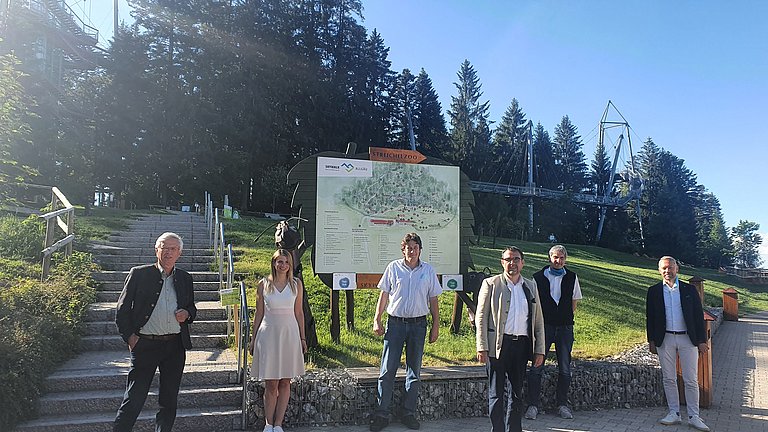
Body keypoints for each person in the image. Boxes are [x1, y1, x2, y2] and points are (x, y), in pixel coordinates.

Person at [114, 232, 197, 432]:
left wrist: (187, 313)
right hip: (145, 345)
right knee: (134, 397)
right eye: (164, 247)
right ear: (156, 250)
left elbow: (192, 308)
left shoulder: (185, 278)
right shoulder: (139, 274)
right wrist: (130, 337)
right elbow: (122, 310)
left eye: (173, 249)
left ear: (180, 253)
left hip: (175, 346)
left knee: (168, 400)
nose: (168, 252)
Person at [370, 233, 442, 432]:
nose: (412, 251)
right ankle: (381, 414)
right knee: (387, 370)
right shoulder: (393, 268)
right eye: (408, 247)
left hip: (419, 326)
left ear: (420, 249)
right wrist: (377, 319)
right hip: (395, 325)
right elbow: (384, 295)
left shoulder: (428, 270)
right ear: (403, 250)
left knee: (414, 372)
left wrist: (436, 325)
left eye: (415, 247)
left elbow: (434, 300)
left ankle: (408, 413)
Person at [476, 246, 545, 432]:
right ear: (502, 262)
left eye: (516, 259)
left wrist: (540, 349)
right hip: (498, 346)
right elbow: (480, 317)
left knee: (516, 394)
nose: (512, 263)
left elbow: (538, 319)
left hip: (521, 346)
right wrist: (481, 346)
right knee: (496, 394)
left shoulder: (530, 286)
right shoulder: (491, 284)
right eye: (508, 259)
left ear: (522, 263)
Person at [646, 256, 710, 432]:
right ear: (659, 270)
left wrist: (702, 340)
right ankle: (673, 412)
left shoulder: (689, 290)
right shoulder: (654, 291)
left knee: (691, 379)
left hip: (687, 339)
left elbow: (698, 316)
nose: (668, 271)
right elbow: (650, 318)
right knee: (669, 378)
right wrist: (651, 340)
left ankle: (694, 416)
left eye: (670, 268)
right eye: (664, 268)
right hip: (665, 339)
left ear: (677, 269)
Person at [250, 249, 307, 432]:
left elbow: (299, 313)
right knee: (271, 382)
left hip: (289, 334)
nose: (283, 266)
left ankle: (278, 423)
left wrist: (303, 337)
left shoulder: (296, 285)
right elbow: (259, 313)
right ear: (274, 263)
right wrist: (253, 339)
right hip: (269, 335)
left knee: (285, 381)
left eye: (286, 262)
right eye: (279, 262)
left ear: (290, 265)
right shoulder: (264, 284)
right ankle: (268, 423)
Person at [525, 244, 583, 420]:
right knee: (536, 367)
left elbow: (574, 302)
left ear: (566, 260)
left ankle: (562, 405)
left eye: (562, 258)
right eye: (555, 257)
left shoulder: (572, 277)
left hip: (565, 328)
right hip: (544, 327)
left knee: (565, 368)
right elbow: (534, 304)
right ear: (549, 258)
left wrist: (563, 317)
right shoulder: (538, 278)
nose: (558, 261)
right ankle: (533, 405)